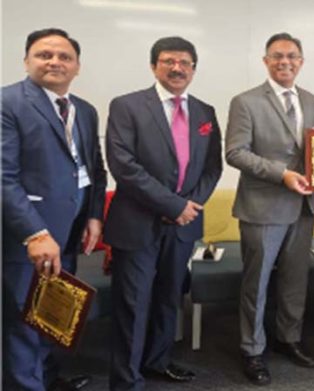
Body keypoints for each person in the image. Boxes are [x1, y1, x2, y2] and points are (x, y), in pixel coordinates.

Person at [104, 36, 222, 390]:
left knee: (170, 295)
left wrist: (189, 207)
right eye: (169, 61)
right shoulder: (127, 106)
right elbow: (123, 165)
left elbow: (212, 168)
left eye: (185, 62)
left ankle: (157, 361)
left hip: (183, 225)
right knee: (133, 303)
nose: (177, 68)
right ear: (154, 65)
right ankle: (127, 380)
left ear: (194, 69)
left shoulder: (205, 112)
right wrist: (173, 205)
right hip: (137, 222)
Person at [2, 28, 106, 391]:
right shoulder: (8, 103)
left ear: (77, 66)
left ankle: (46, 377)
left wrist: (94, 215)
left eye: (64, 57)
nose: (54, 62)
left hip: (72, 229)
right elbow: (3, 178)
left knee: (52, 312)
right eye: (44, 54)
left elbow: (94, 168)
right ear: (27, 60)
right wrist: (34, 232)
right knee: (23, 318)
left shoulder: (86, 110)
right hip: (29, 235)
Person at [225, 32, 314, 386]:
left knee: (296, 281)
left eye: (292, 56)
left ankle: (288, 338)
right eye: (278, 56)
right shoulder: (246, 101)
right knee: (257, 284)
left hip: (304, 205)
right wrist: (282, 175)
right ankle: (252, 349)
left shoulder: (311, 101)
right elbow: (235, 152)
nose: (285, 62)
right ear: (265, 61)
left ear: (301, 61)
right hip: (263, 206)